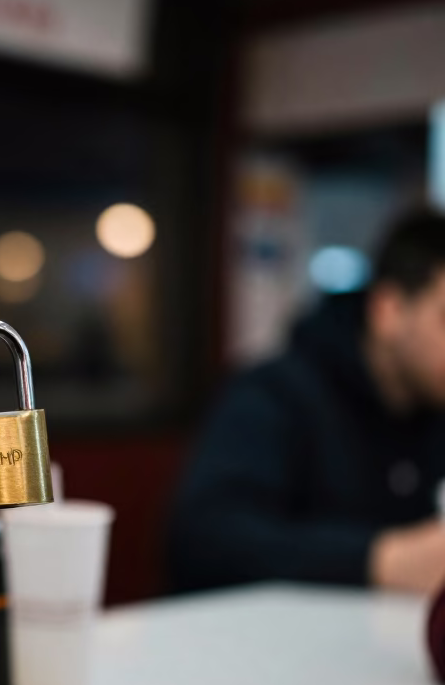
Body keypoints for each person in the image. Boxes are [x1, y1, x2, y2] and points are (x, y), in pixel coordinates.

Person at [170, 209, 445, 596]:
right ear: (389, 311)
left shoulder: (432, 413)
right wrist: (379, 560)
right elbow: (203, 540)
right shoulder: (273, 396)